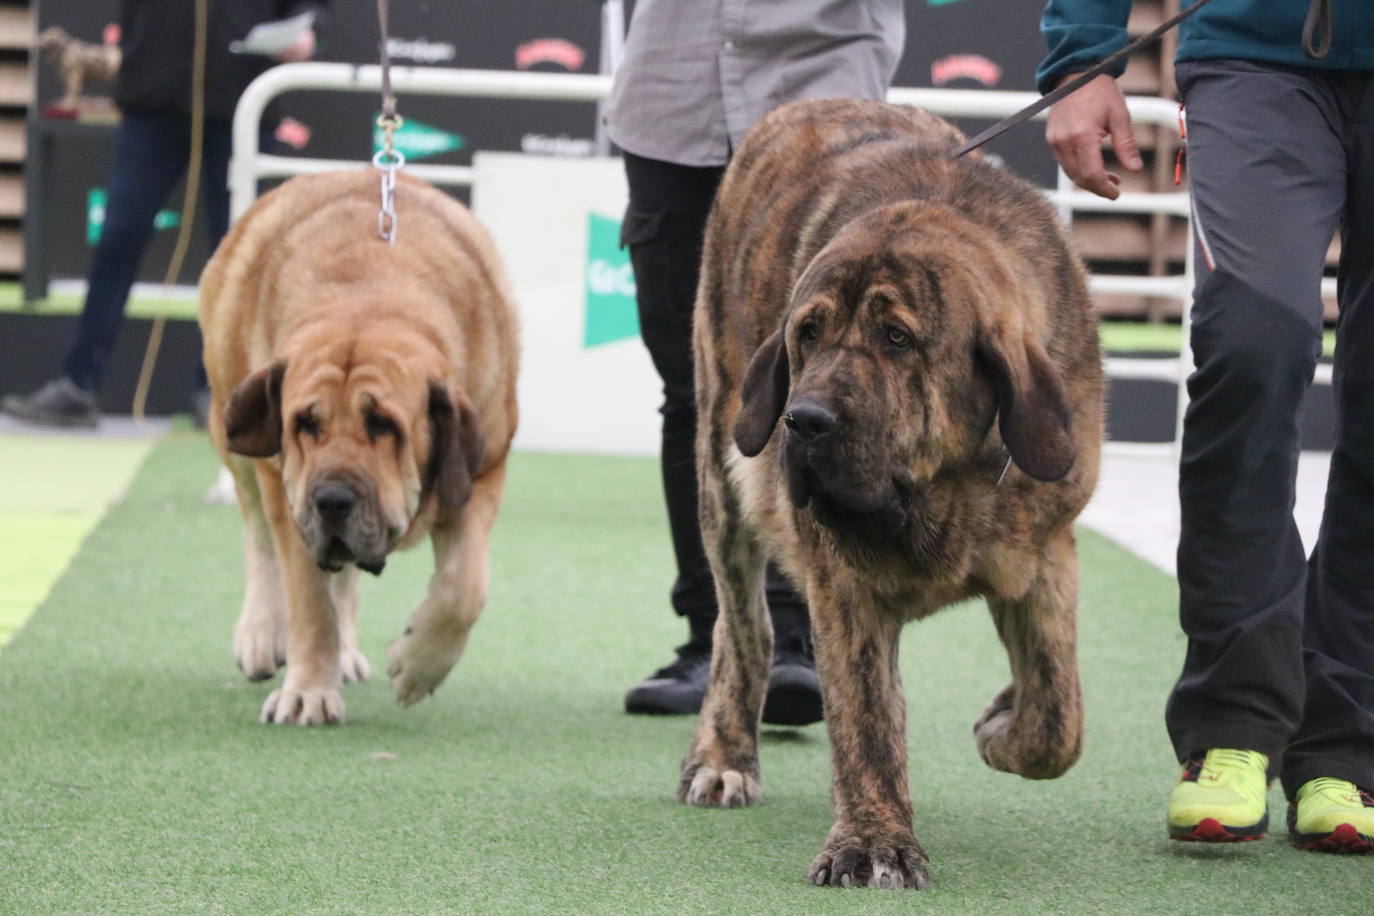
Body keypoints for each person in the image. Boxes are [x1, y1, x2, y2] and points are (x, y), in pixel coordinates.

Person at [1040, 0, 1374, 851]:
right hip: (1260, 59)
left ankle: (1348, 742)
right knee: (1253, 346)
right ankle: (1235, 726)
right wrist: (1084, 59)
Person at [603, 0, 906, 723]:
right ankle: (711, 638)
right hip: (674, 106)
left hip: (829, 101)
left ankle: (802, 636)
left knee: (829, 386)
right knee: (694, 392)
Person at [2, 0, 328, 429]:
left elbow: (311, 9)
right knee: (118, 238)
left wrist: (303, 31)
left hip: (241, 101)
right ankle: (78, 383)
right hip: (152, 98)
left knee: (237, 254)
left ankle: (219, 391)